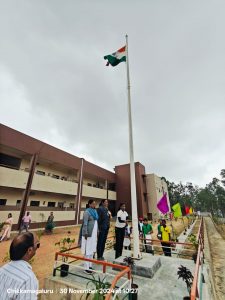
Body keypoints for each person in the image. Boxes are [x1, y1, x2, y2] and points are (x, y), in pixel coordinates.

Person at [0, 232, 39, 299]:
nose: (37, 248)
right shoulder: (28, 279)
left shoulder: (2, 270)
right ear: (29, 250)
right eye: (37, 245)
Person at [81, 199, 98, 274]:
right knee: (87, 250)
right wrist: (85, 233)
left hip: (93, 235)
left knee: (91, 250)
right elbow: (85, 223)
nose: (94, 205)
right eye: (93, 204)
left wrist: (97, 232)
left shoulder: (95, 212)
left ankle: (90, 265)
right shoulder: (87, 212)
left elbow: (96, 222)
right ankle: (86, 268)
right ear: (89, 204)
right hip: (88, 234)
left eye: (95, 204)